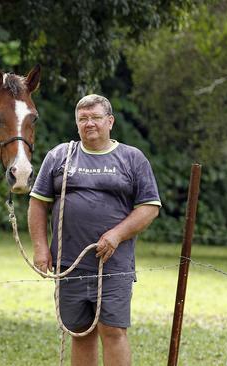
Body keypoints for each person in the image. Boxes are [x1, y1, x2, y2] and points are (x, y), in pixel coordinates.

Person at [28, 94, 161, 366]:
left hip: (114, 265)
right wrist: (41, 248)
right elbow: (37, 204)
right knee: (79, 332)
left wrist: (117, 235)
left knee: (113, 330)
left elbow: (149, 207)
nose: (89, 123)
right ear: (76, 124)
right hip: (69, 264)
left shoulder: (132, 159)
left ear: (110, 121)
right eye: (83, 119)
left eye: (96, 117)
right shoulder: (59, 156)